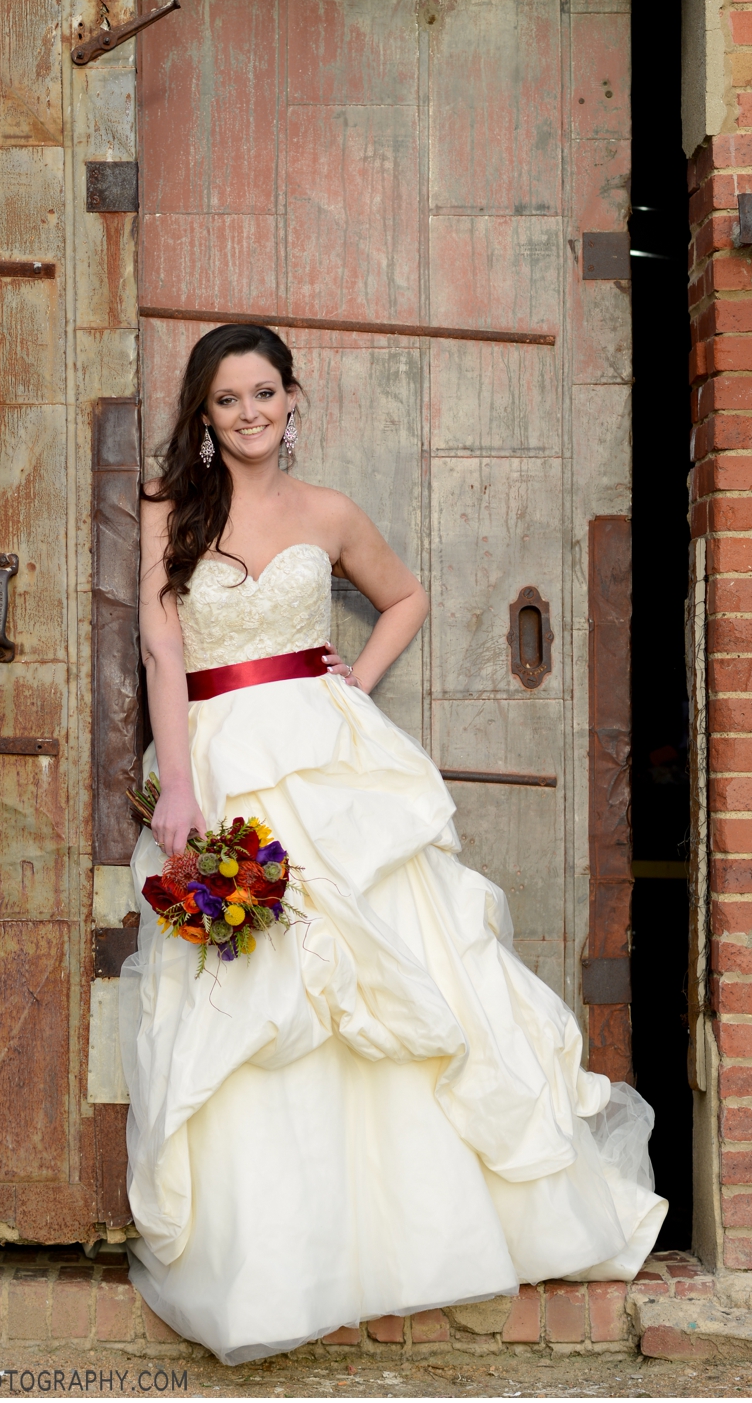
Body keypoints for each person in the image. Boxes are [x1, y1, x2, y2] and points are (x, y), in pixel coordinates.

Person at [118, 323, 666, 1366]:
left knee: (397, 965)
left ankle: (421, 1234)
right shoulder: (168, 512)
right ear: (204, 414)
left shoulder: (327, 511)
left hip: (332, 755)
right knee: (260, 987)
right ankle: (277, 1253)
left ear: (292, 399)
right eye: (227, 399)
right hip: (227, 759)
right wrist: (179, 783)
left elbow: (404, 595)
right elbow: (160, 640)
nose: (249, 413)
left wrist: (351, 684)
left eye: (265, 393)